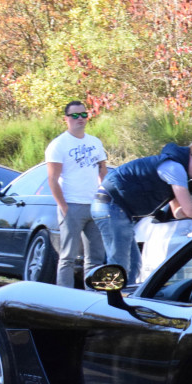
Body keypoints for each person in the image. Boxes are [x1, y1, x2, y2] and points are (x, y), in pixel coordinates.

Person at [92, 141, 192, 280]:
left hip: (115, 209)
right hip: (111, 206)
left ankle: (122, 298)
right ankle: (110, 299)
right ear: (190, 156)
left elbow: (178, 212)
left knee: (133, 265)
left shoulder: (174, 170)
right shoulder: (175, 168)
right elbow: (189, 210)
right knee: (120, 266)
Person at [44, 101, 107, 287]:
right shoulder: (58, 145)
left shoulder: (95, 143)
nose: (80, 119)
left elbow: (102, 172)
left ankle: (92, 295)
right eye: (75, 115)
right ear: (66, 119)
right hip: (72, 204)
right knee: (68, 256)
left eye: (83, 115)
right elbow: (52, 179)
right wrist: (63, 206)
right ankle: (64, 296)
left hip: (94, 206)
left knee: (95, 257)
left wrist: (104, 198)